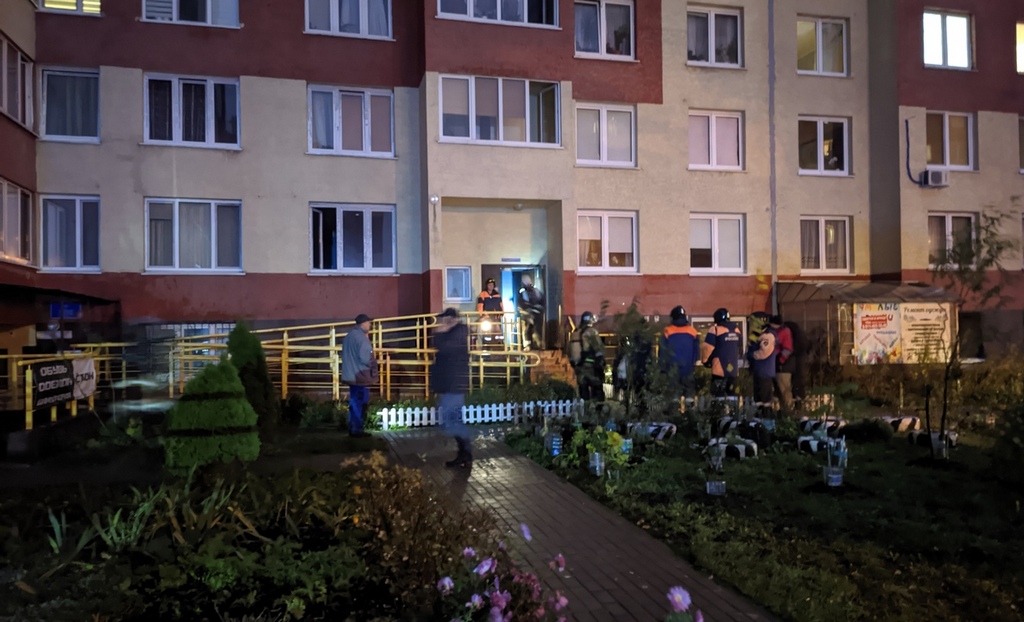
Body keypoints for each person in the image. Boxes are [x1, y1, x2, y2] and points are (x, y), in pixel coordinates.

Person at [432, 308, 472, 468]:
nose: (441, 322)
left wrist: (441, 331)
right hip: (450, 384)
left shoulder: (459, 332)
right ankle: (464, 453)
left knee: (452, 420)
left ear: (452, 319)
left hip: (454, 385)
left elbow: (443, 346)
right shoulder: (452, 332)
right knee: (453, 419)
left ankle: (466, 452)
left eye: (445, 319)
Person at [341, 313, 375, 437]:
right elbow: (366, 358)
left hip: (350, 375)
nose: (370, 325)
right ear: (363, 324)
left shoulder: (349, 336)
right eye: (369, 323)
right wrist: (373, 363)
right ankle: (357, 430)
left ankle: (353, 428)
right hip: (359, 375)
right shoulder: (361, 338)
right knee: (360, 402)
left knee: (354, 401)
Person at [660, 305, 700, 404]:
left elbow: (663, 353)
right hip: (688, 369)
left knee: (674, 398)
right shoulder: (692, 331)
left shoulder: (667, 331)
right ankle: (690, 411)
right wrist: (694, 363)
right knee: (689, 397)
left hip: (672, 370)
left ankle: (674, 411)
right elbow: (696, 352)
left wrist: (663, 369)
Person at [700, 307, 743, 398]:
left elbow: (707, 348)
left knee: (718, 398)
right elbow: (739, 348)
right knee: (732, 397)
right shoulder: (737, 331)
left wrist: (705, 361)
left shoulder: (715, 330)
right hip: (733, 371)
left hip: (719, 371)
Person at [568, 311, 605, 403]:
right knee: (597, 391)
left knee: (583, 392)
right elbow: (598, 348)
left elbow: (569, 350)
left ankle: (584, 409)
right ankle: (596, 410)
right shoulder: (591, 332)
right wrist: (601, 361)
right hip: (591, 367)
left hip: (578, 367)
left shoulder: (575, 333)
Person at [747, 313, 778, 413]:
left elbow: (764, 352)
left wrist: (751, 355)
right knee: (758, 398)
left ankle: (767, 416)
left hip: (765, 371)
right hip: (758, 371)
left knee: (765, 398)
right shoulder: (757, 335)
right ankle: (759, 415)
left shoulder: (768, 336)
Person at [770, 315, 795, 411]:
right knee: (779, 391)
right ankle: (782, 411)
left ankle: (788, 411)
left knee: (784, 391)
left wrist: (780, 360)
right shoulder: (777, 332)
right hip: (777, 365)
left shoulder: (784, 332)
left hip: (783, 367)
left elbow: (787, 349)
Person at [517, 274, 544, 350]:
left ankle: (537, 343)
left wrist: (539, 308)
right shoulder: (522, 292)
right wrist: (531, 308)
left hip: (537, 313)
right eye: (526, 281)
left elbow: (542, 300)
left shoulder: (536, 290)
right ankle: (527, 344)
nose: (528, 282)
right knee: (527, 328)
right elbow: (522, 303)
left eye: (528, 280)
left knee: (537, 328)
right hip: (527, 314)